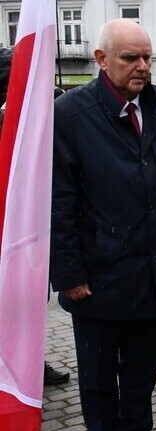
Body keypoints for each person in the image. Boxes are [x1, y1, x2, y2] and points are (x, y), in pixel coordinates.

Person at [50, 19, 156, 431]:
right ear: (101, 60)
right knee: (98, 371)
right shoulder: (70, 115)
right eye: (130, 58)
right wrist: (69, 272)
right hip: (97, 274)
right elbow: (59, 201)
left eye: (147, 57)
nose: (142, 67)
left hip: (154, 268)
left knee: (142, 364)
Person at [0, 47, 71, 387]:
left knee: (30, 301)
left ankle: (31, 363)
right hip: (7, 224)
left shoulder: (39, 109)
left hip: (31, 227)